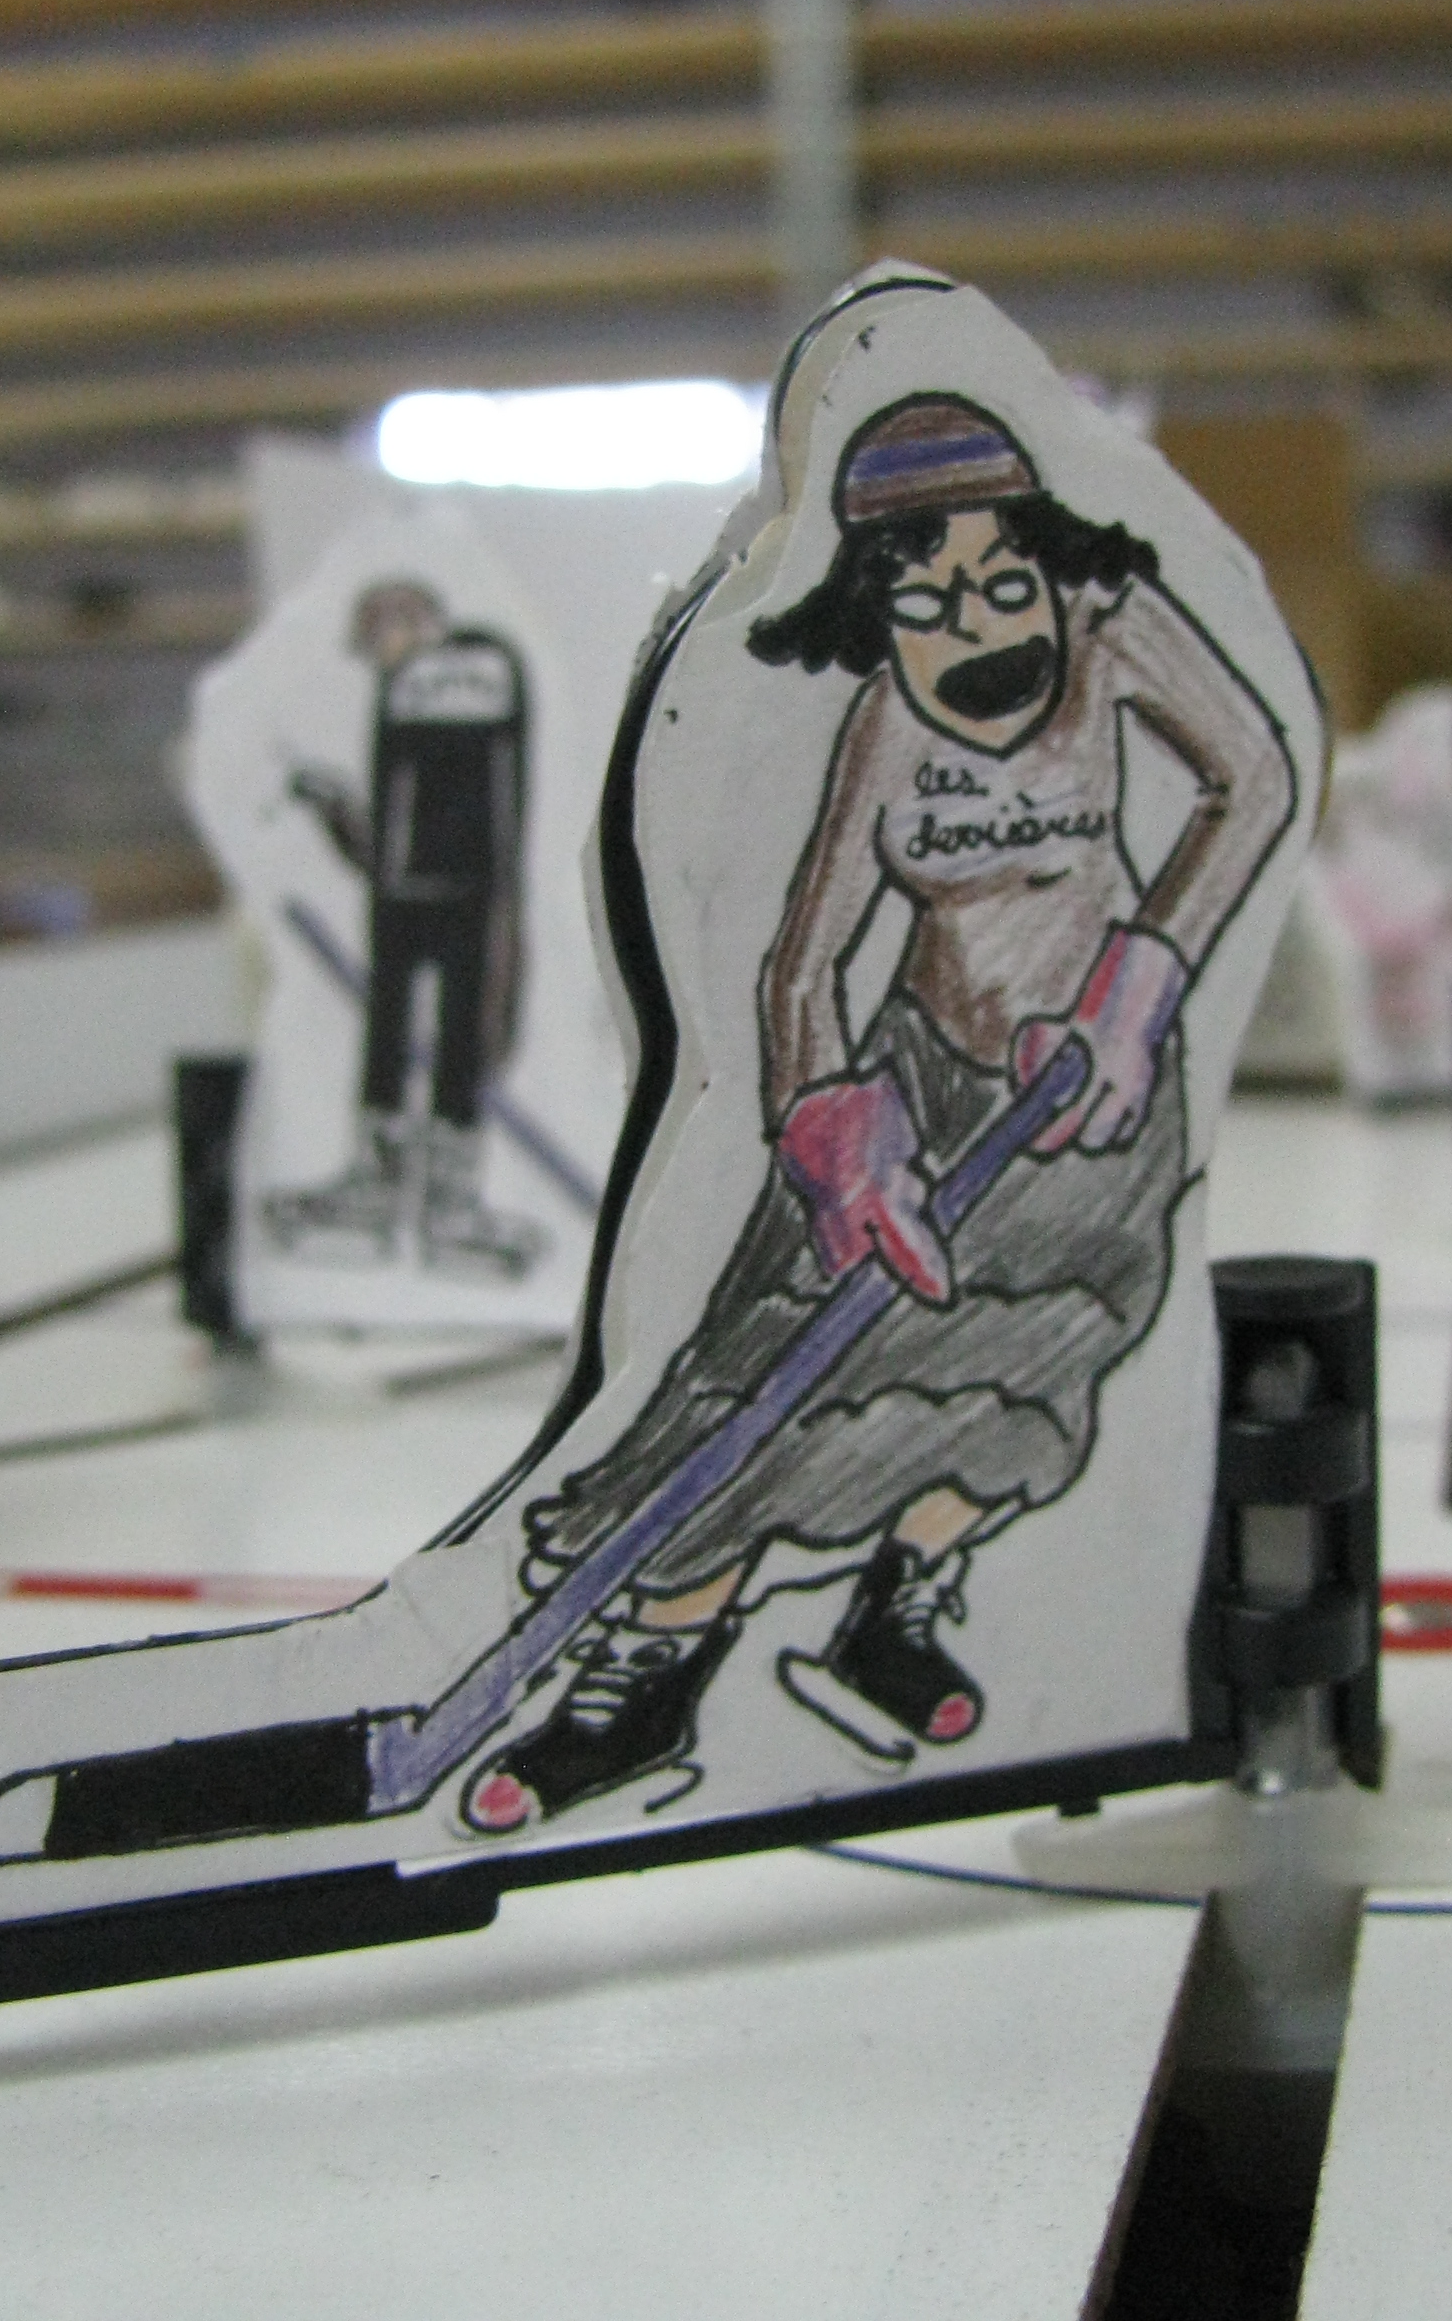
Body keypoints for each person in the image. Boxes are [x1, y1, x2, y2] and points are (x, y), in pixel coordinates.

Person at [458, 394, 1300, 1835]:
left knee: (1021, 1383)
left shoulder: (1114, 638)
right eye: (924, 603)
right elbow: (803, 964)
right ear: (874, 611)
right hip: (924, 1096)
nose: (974, 628)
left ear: (1046, 562)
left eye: (1000, 584)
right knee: (775, 1388)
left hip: (1093, 1107)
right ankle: (649, 1681)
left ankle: (896, 1613)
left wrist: (1145, 975)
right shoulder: (883, 729)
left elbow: (1257, 776)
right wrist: (836, 1123)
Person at [264, 577, 543, 1276]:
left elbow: (440, 818)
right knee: (390, 1037)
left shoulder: (466, 670)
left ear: (408, 623)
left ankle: (441, 1198)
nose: (377, 663)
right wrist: (338, 811)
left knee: (453, 1041)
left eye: (378, 641)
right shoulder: (423, 687)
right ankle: (390, 1184)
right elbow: (391, 837)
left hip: (463, 899)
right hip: (406, 899)